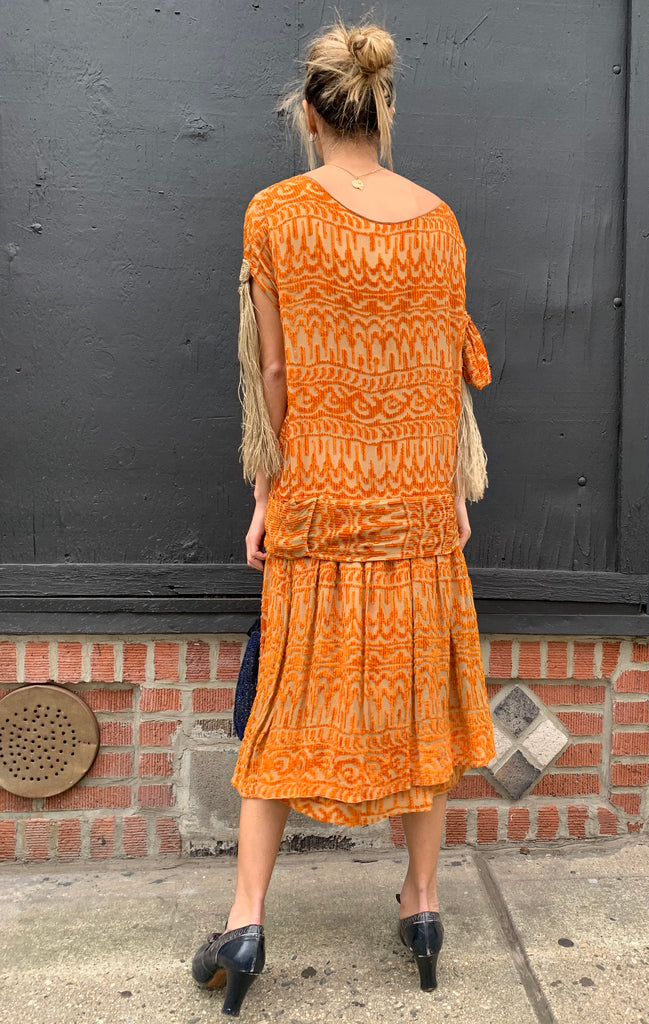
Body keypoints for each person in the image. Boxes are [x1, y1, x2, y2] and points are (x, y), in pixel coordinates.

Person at [192, 17, 495, 1016]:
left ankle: (245, 916)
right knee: (420, 697)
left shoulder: (275, 213)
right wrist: (453, 491)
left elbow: (274, 371)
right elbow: (443, 374)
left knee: (283, 697)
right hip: (412, 504)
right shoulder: (440, 221)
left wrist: (266, 494)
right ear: (383, 107)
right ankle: (423, 903)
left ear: (313, 113)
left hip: (320, 498)